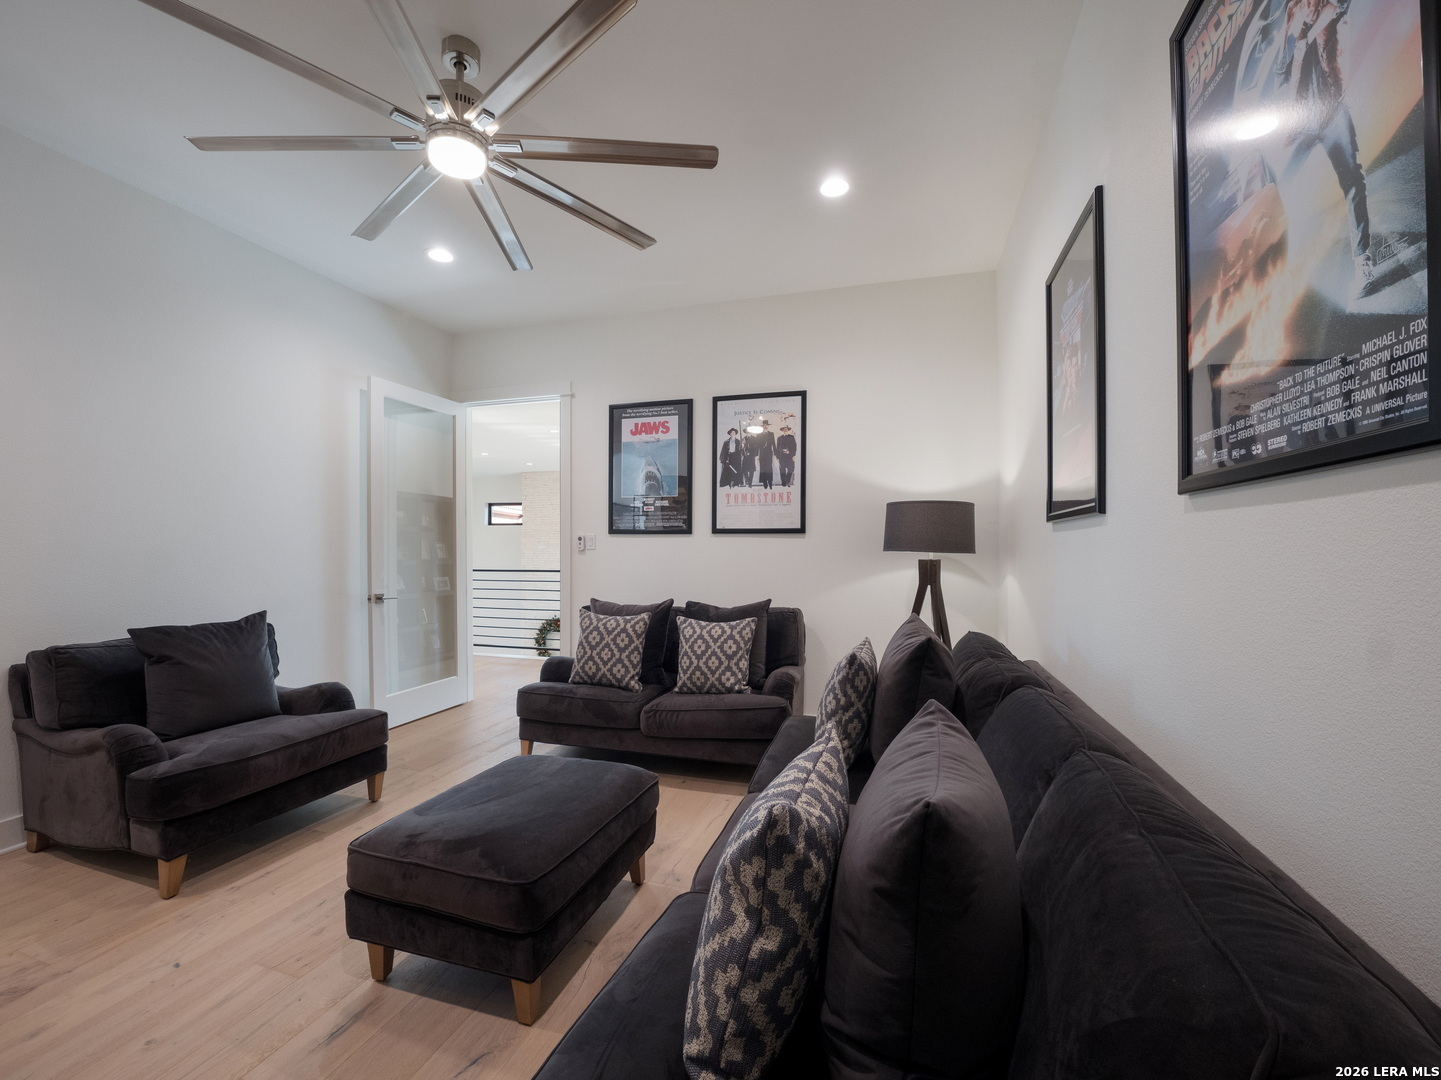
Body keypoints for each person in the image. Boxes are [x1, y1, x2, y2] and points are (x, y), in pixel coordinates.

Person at [1275, 0, 1373, 296]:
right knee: (1282, 182)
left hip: (1332, 112)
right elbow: (1281, 72)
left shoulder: (1328, 7)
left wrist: (1309, 30)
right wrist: (1291, 39)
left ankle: (1363, 261)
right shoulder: (1290, 17)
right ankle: (1284, 272)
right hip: (1303, 122)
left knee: (1352, 181)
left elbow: (1341, 5)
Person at [754, 419, 777, 490]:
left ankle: (770, 482)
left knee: (769, 468)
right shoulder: (759, 435)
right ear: (762, 426)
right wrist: (756, 454)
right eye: (764, 425)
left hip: (769, 453)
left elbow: (773, 444)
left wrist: (776, 453)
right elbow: (757, 445)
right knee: (763, 467)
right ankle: (764, 483)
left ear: (768, 426)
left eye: (766, 425)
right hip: (762, 453)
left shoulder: (771, 434)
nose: (765, 426)